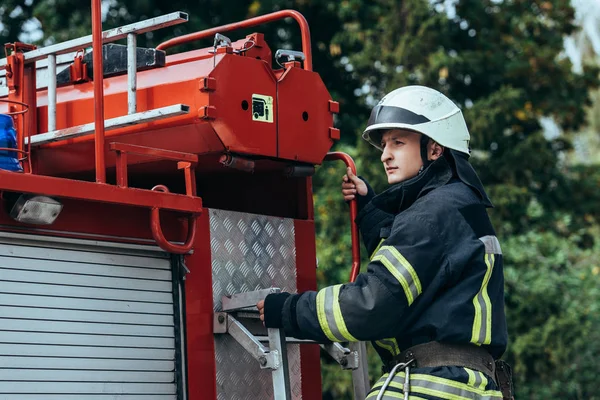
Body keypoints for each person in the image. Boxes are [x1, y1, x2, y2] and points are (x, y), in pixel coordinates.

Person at [257, 86, 511, 400]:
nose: (385, 154)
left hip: (426, 387)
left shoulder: (432, 215)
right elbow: (422, 270)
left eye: (398, 142)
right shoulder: (458, 207)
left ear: (434, 149)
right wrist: (369, 208)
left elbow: (373, 304)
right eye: (385, 144)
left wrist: (288, 310)